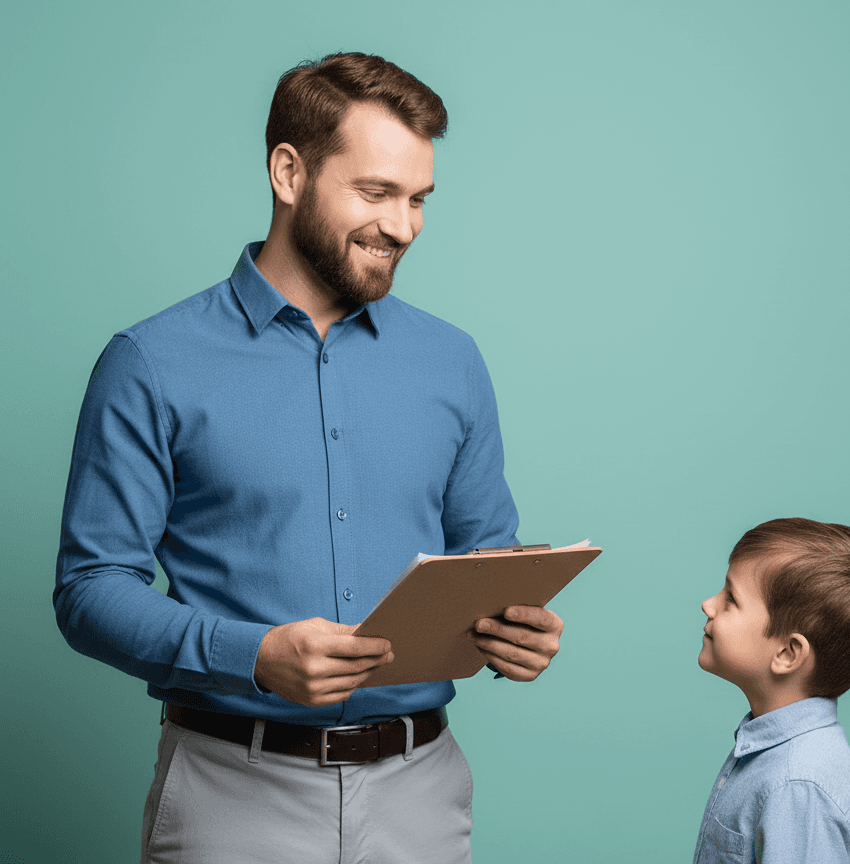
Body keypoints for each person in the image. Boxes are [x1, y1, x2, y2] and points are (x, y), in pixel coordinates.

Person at [54, 52, 564, 864]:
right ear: (288, 172)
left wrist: (516, 630)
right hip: (230, 794)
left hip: (423, 795)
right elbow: (88, 592)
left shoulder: (452, 360)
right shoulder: (151, 361)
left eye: (419, 199)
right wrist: (252, 654)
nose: (403, 227)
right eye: (376, 193)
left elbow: (484, 557)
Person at [693, 517, 850, 864]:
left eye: (731, 599)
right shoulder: (779, 759)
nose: (709, 603)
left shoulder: (797, 786)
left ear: (787, 653)